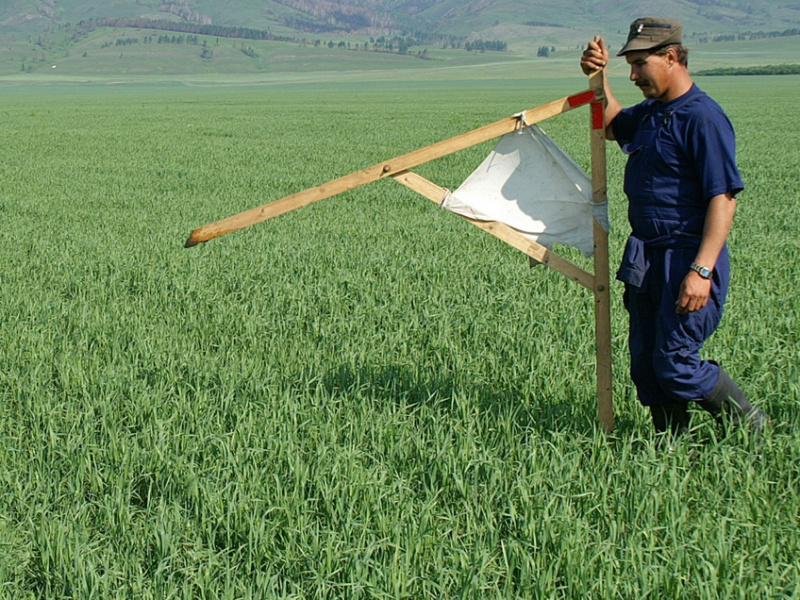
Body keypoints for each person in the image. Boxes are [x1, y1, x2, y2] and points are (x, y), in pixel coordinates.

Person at [579, 18, 769, 438]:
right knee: (646, 362)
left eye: (640, 64)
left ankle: (752, 427)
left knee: (675, 362)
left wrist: (702, 271)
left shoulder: (703, 118)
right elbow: (611, 126)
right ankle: (671, 446)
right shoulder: (650, 113)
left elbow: (724, 198)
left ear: (671, 56)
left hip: (686, 256)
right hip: (645, 257)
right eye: (627, 65)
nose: (633, 76)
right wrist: (599, 78)